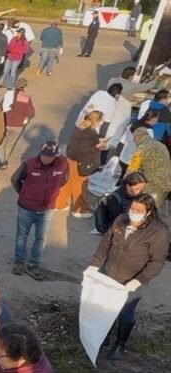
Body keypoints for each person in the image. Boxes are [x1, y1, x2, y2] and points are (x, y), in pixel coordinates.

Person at [89, 194, 169, 359]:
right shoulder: (121, 220)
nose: (134, 213)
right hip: (110, 273)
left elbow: (157, 262)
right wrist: (94, 265)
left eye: (139, 211)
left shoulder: (158, 232)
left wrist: (138, 281)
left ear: (148, 213)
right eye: (132, 209)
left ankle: (120, 344)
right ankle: (104, 336)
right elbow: (106, 243)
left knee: (126, 313)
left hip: (133, 280)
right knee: (105, 307)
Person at [10, 142, 69, 279]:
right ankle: (19, 262)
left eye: (50, 156)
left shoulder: (63, 164)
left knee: (41, 238)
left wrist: (53, 191)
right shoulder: (29, 164)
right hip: (27, 207)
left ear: (56, 155)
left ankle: (34, 264)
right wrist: (24, 194)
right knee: (21, 236)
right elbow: (15, 179)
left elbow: (65, 179)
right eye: (44, 155)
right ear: (40, 152)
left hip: (47, 209)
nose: (46, 158)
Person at [60, 110, 106, 216]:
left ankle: (59, 204)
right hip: (81, 162)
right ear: (96, 121)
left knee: (67, 183)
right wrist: (98, 146)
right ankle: (80, 210)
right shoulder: (89, 132)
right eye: (101, 120)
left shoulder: (82, 128)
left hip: (72, 159)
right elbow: (84, 149)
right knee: (80, 186)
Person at [127, 127, 171, 212]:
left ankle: (144, 221)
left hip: (152, 185)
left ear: (137, 137)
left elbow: (132, 169)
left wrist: (126, 183)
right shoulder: (161, 145)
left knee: (145, 207)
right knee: (154, 206)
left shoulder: (141, 148)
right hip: (167, 182)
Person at [0, 78, 35, 170]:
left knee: (0, 143)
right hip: (18, 126)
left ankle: (2, 161)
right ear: (25, 86)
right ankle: (5, 160)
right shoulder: (26, 98)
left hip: (5, 123)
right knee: (10, 144)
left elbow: (0, 107)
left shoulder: (8, 95)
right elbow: (31, 113)